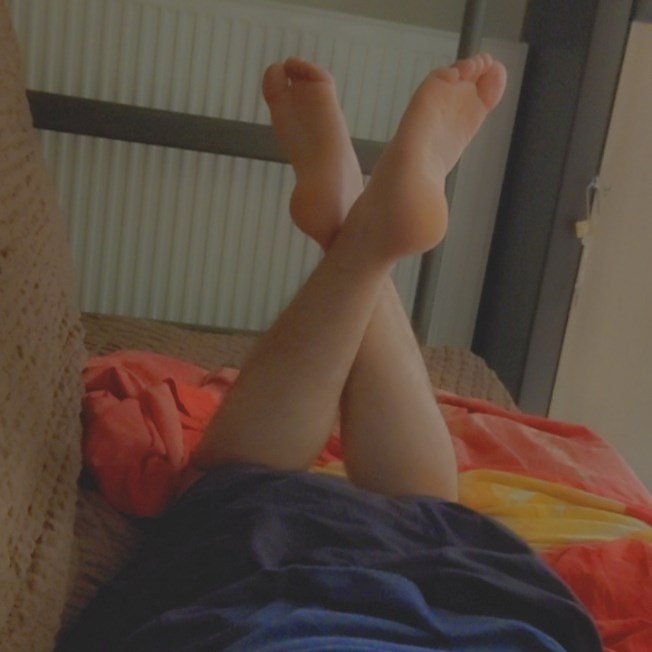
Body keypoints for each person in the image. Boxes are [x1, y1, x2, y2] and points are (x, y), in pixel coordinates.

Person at [56, 55, 601, 651]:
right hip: (310, 613)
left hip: (463, 608)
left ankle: (358, 232)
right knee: (255, 494)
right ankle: (357, 231)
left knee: (396, 516)